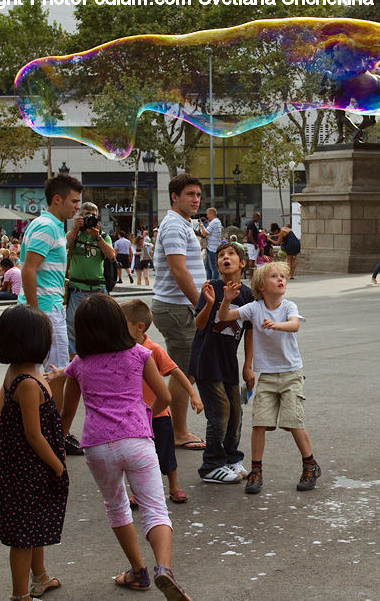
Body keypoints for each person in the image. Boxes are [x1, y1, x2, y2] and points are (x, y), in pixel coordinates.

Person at [61, 294, 190, 600]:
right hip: (137, 440)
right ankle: (163, 569)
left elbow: (66, 415)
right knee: (155, 508)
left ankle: (138, 571)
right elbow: (165, 398)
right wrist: (145, 415)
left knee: (117, 507)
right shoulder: (138, 355)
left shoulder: (78, 365)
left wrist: (55, 448)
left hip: (97, 445)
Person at [0, 174, 85, 458]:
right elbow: (28, 270)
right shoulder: (47, 226)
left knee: (22, 369)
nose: (78, 207)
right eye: (74, 201)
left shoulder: (52, 227)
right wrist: (38, 315)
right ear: (57, 199)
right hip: (46, 310)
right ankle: (55, 434)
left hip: (45, 307)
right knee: (58, 372)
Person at [217, 261, 320, 494]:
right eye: (274, 276)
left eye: (283, 276)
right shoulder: (253, 308)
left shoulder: (288, 306)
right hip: (267, 375)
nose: (281, 279)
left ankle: (310, 465)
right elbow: (225, 317)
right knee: (259, 423)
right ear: (261, 286)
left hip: (291, 373)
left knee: (293, 422)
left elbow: (294, 326)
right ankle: (256, 470)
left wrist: (276, 325)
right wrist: (226, 299)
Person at [0, 305, 68, 601]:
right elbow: (34, 435)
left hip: (24, 467)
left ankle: (41, 577)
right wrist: (57, 465)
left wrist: (52, 383)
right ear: (34, 343)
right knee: (24, 535)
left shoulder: (22, 374)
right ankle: (20, 594)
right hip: (30, 468)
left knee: (35, 524)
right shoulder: (26, 383)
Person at [121, 300, 203, 505]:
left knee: (166, 454)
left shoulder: (153, 349)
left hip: (158, 414)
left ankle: (173, 486)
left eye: (121, 324)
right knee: (135, 457)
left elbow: (176, 371)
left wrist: (193, 394)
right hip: (133, 417)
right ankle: (138, 492)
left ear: (139, 327)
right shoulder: (119, 349)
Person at [189, 242, 255, 484]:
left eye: (230, 254)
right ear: (216, 264)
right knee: (220, 412)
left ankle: (230, 457)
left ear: (242, 263)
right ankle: (211, 465)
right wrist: (209, 303)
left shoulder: (248, 295)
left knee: (235, 412)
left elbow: (249, 332)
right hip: (206, 361)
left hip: (229, 363)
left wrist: (248, 365)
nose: (225, 258)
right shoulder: (211, 288)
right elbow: (199, 325)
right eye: (220, 256)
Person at [151, 174, 207, 451]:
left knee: (183, 370)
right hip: (177, 308)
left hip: (178, 307)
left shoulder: (181, 223)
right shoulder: (174, 224)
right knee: (182, 372)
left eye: (198, 194)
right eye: (190, 194)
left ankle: (169, 426)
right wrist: (200, 304)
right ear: (175, 196)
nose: (196, 199)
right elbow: (178, 269)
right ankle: (177, 432)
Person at [66, 202, 116, 357]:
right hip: (77, 288)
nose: (90, 218)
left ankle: (101, 357)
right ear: (80, 215)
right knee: (72, 327)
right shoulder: (74, 234)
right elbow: (64, 246)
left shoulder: (103, 236)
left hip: (98, 288)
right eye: (87, 214)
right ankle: (75, 361)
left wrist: (98, 237)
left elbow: (111, 255)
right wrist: (75, 229)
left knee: (105, 325)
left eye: (93, 215)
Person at [198, 207, 223, 281]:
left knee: (213, 268)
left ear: (211, 214)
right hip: (213, 247)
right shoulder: (217, 222)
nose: (207, 216)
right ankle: (210, 282)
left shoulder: (214, 222)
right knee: (208, 267)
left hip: (212, 248)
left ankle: (213, 283)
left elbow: (205, 233)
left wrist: (202, 225)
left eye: (208, 214)